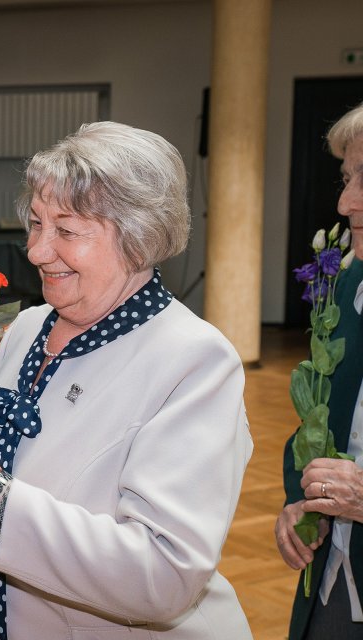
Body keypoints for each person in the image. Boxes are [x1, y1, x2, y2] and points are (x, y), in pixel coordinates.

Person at [0, 121, 253, 640]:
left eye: (66, 230)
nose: (36, 251)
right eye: (35, 223)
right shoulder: (30, 327)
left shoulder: (195, 362)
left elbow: (166, 573)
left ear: (137, 239)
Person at [275, 101, 363, 639]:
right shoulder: (346, 289)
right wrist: (299, 502)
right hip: (339, 574)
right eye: (348, 177)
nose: (346, 201)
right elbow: (321, 420)